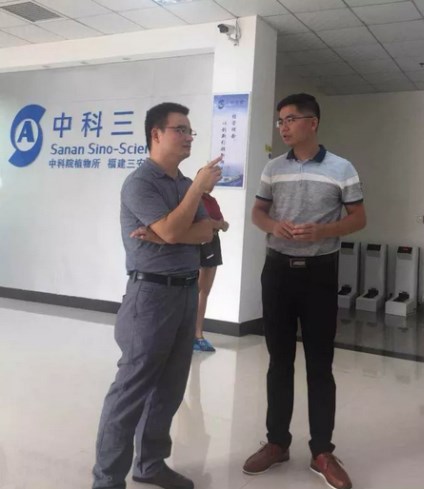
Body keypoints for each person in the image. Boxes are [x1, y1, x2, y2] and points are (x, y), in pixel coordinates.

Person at [92, 102, 221, 489]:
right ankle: (107, 480)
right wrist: (187, 208)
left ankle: (150, 464)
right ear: (156, 134)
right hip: (150, 295)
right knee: (131, 390)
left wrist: (169, 231)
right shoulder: (140, 183)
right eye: (180, 129)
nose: (188, 137)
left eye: (190, 130)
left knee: (170, 387)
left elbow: (206, 232)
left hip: (185, 292)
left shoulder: (182, 183)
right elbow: (177, 229)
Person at [244, 93, 366, 489]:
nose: (283, 126)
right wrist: (271, 225)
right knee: (279, 361)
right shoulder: (273, 168)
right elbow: (258, 212)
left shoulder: (342, 168)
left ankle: (322, 451)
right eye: (280, 120)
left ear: (312, 123)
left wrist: (323, 231)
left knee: (320, 364)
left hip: (319, 274)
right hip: (277, 272)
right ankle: (277, 442)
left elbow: (359, 218)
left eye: (291, 119)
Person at [193, 186, 229, 352]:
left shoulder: (211, 200)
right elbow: (199, 221)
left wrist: (219, 224)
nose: (214, 183)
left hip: (213, 242)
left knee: (205, 291)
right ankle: (191, 334)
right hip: (200, 243)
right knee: (196, 290)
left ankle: (198, 333)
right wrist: (217, 224)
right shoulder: (194, 197)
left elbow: (222, 222)